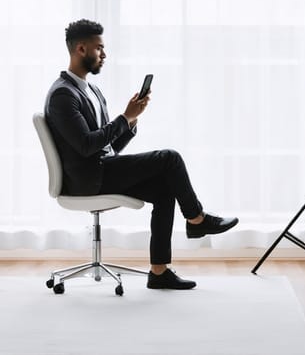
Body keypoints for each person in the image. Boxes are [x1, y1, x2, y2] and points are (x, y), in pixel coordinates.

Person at [43, 18, 238, 290]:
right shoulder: (62, 95)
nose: (104, 54)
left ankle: (159, 272)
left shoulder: (92, 91)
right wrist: (124, 117)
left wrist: (131, 121)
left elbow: (106, 147)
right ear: (81, 50)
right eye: (99, 48)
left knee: (164, 187)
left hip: (101, 168)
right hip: (87, 179)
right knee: (169, 158)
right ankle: (196, 219)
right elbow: (86, 146)